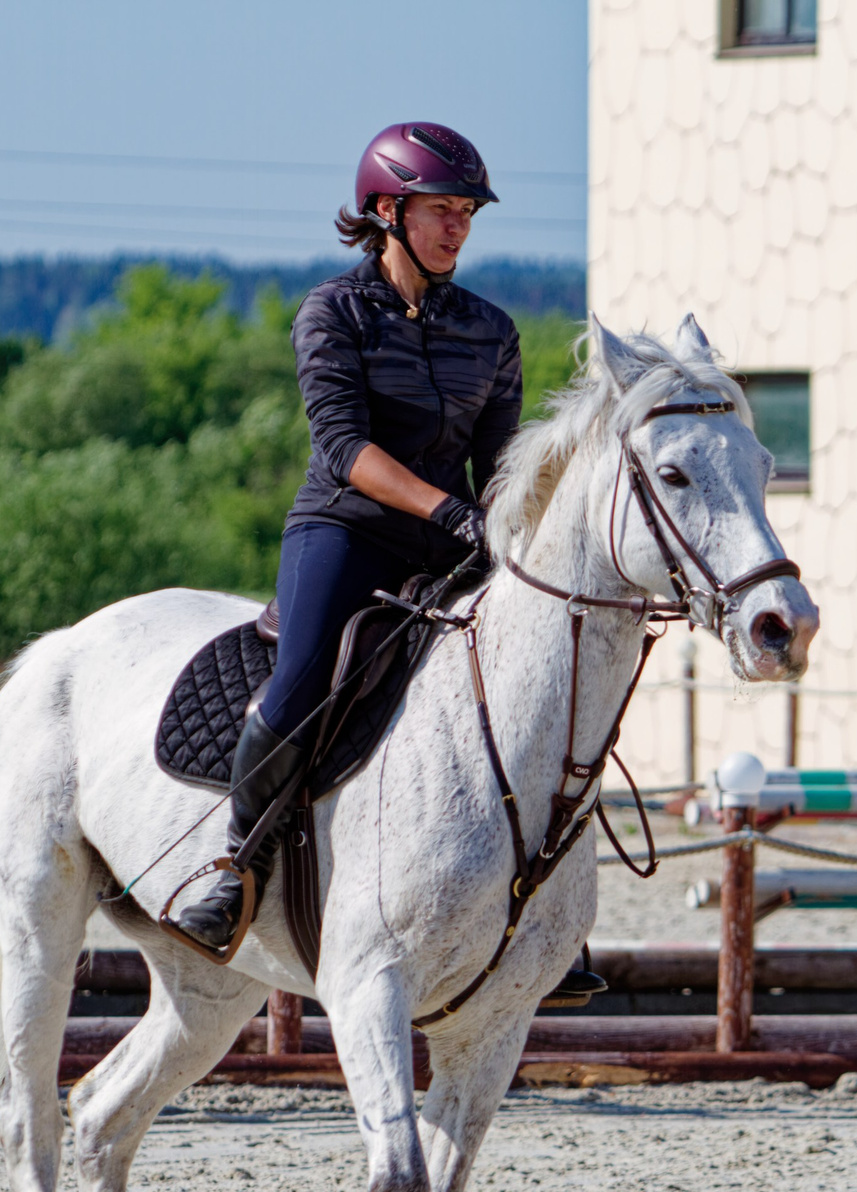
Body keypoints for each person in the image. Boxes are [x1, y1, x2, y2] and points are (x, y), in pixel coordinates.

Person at [170, 121, 599, 1004]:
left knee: (545, 675)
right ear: (386, 210)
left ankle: (547, 909)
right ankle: (237, 868)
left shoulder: (491, 330)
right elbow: (343, 449)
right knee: (298, 684)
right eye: (442, 210)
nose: (459, 228)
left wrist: (507, 529)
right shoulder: (334, 312)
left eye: (467, 213)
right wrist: (445, 508)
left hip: (455, 541)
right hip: (348, 531)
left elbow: (500, 465)